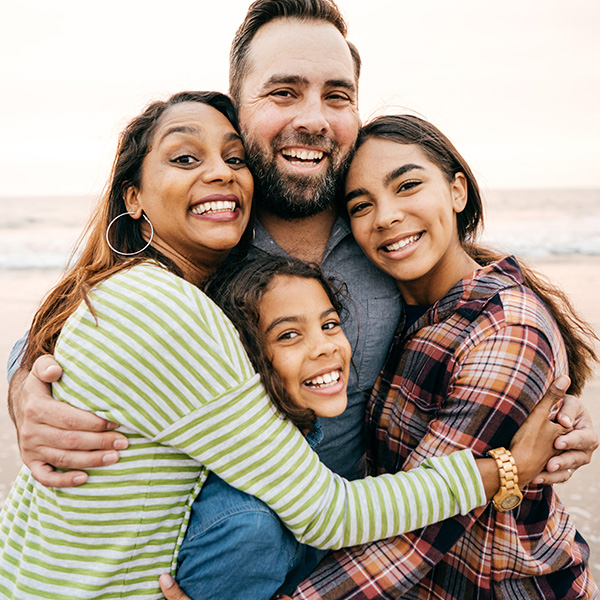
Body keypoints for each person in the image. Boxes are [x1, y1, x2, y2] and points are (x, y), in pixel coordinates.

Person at [5, 0, 597, 569]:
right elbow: (83, 311)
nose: (312, 119)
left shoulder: (380, 225)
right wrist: (24, 388)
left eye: (336, 96)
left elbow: (479, 308)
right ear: (237, 106)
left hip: (370, 541)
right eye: (284, 92)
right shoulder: (208, 226)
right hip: (226, 552)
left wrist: (560, 402)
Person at [290, 115, 599, 599]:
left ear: (457, 191)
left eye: (408, 185)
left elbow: (421, 526)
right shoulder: (386, 308)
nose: (386, 216)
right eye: (361, 205)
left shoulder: (505, 329)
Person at [168, 253, 573, 600]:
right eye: (289, 335)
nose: (326, 345)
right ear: (242, 360)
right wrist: (509, 470)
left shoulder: (300, 464)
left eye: (329, 324)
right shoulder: (245, 527)